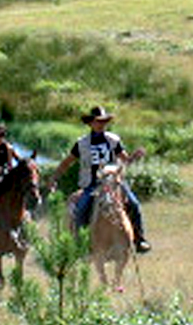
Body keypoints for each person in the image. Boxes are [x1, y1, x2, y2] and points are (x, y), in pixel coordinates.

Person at [54, 105, 150, 252]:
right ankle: (81, 243)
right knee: (81, 210)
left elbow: (125, 160)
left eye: (104, 121)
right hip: (92, 184)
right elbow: (68, 161)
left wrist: (134, 157)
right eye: (98, 121)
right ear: (90, 123)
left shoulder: (113, 140)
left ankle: (139, 239)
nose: (101, 125)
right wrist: (55, 177)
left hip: (113, 182)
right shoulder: (82, 143)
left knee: (134, 204)